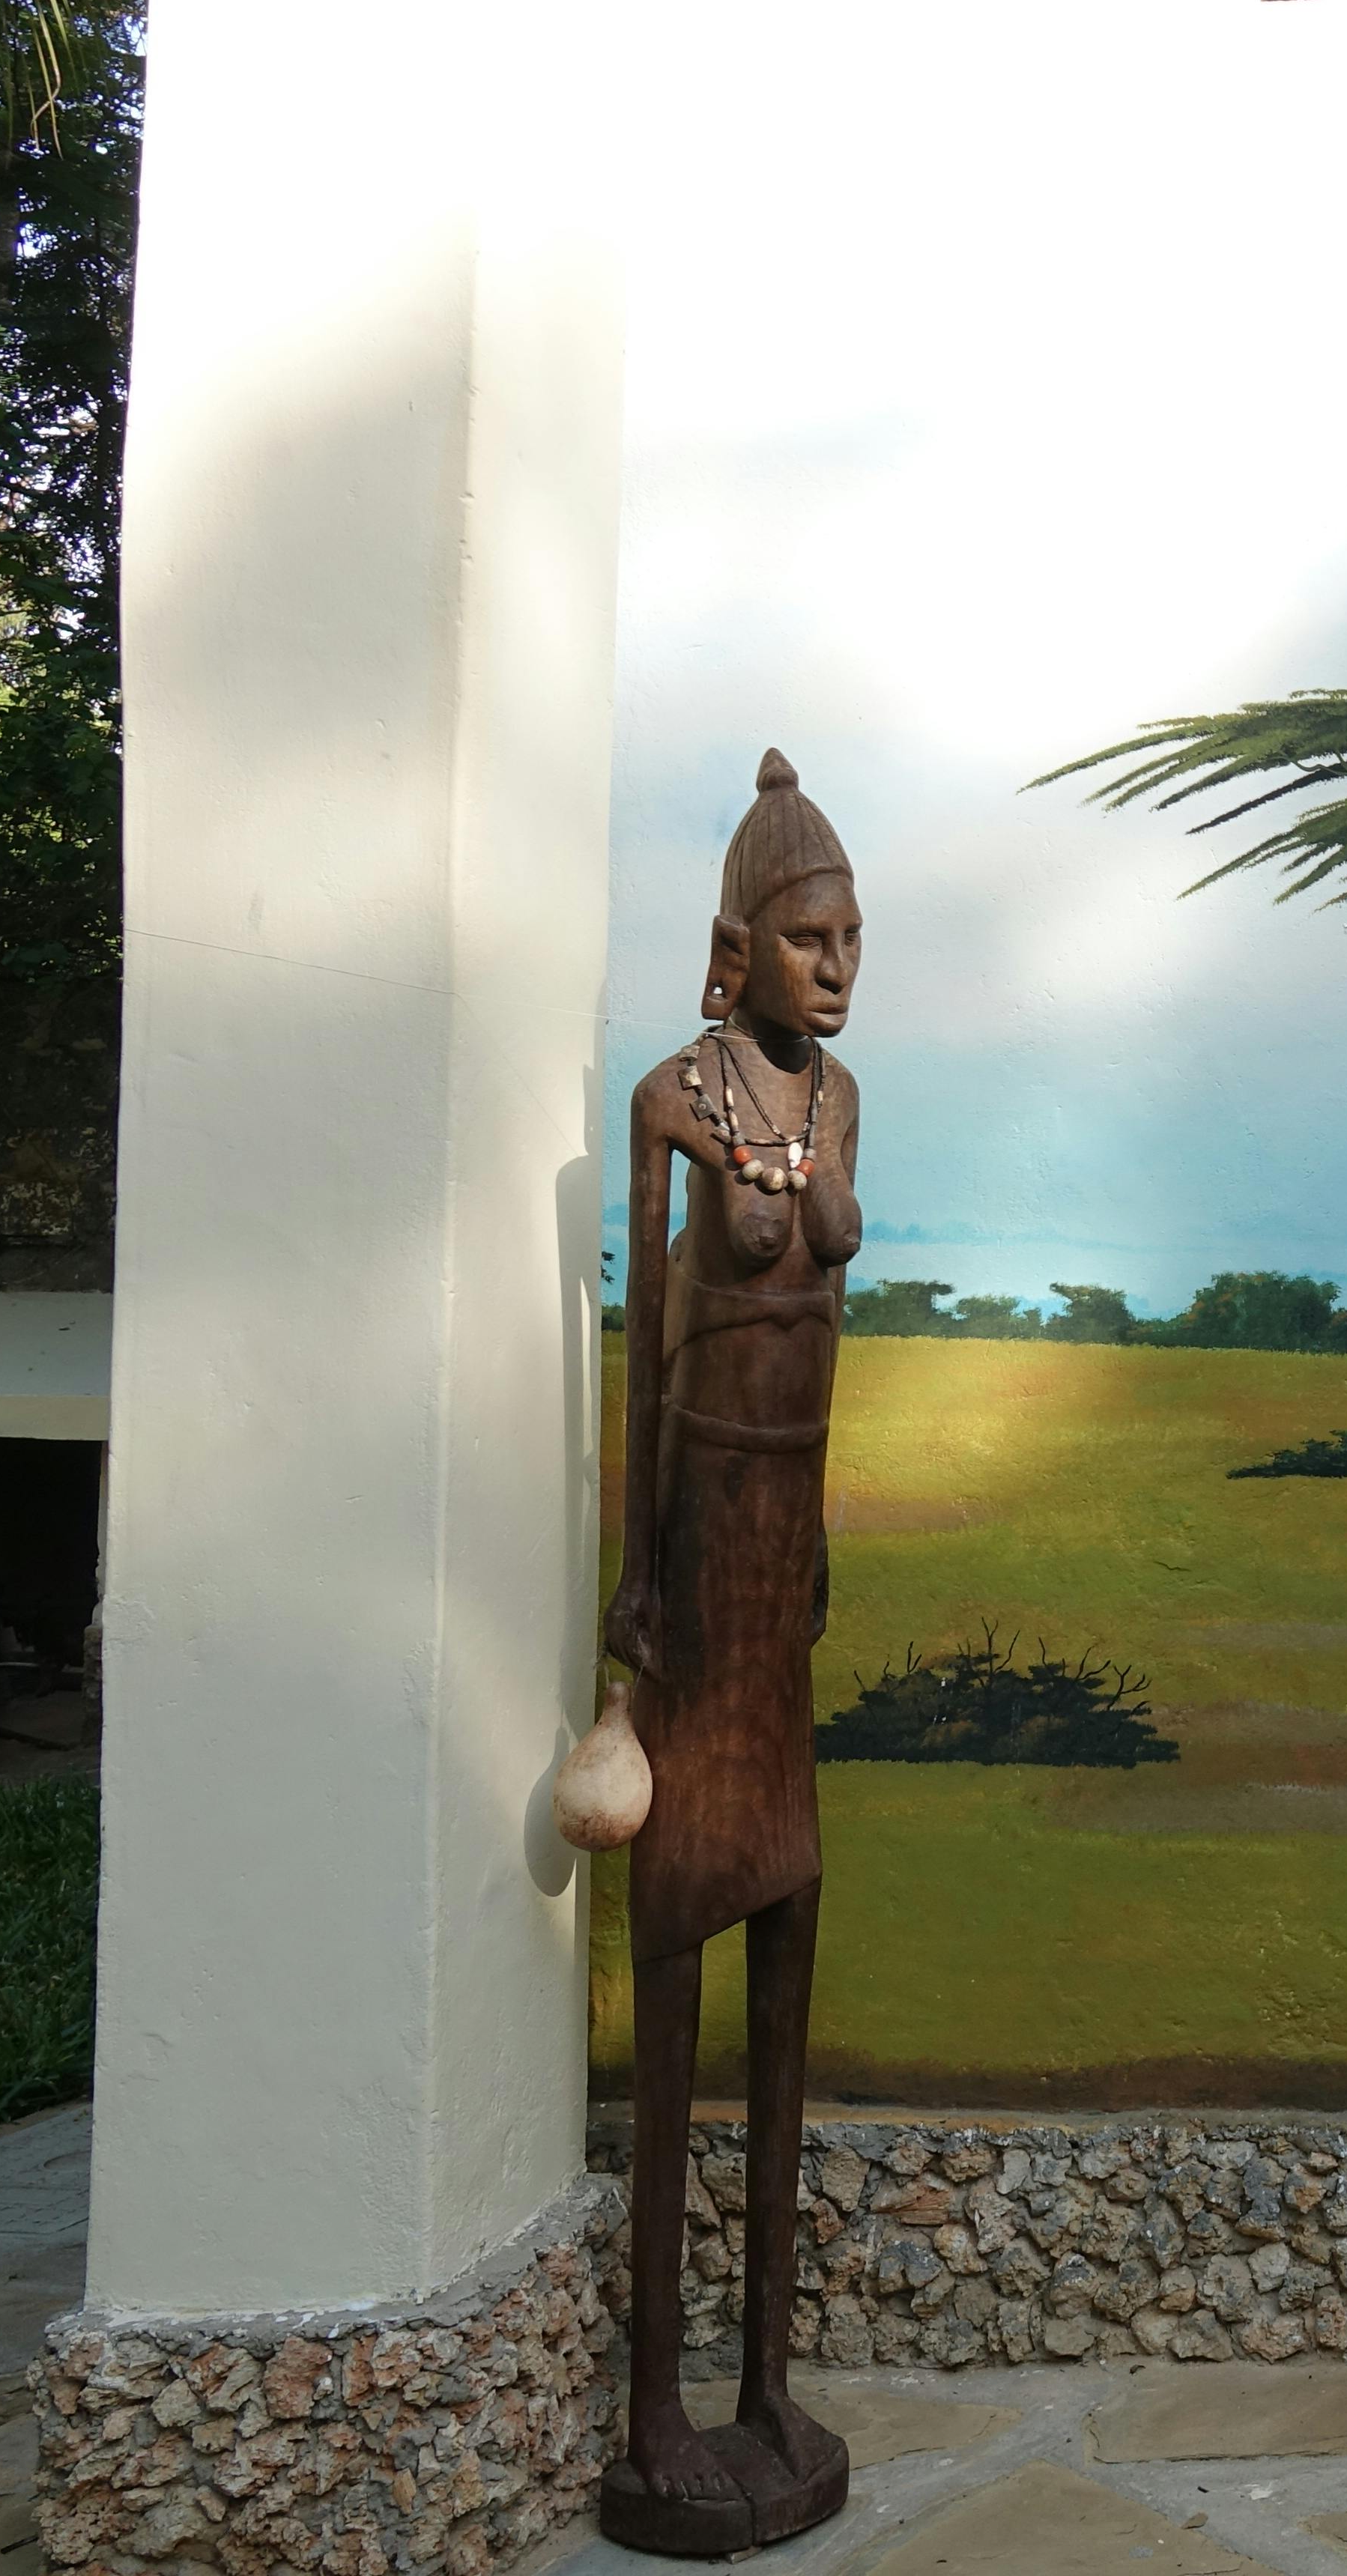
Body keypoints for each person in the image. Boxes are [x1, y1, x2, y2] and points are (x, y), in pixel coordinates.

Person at [596, 751, 863, 2553]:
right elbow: (646, 1355)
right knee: (684, 1935)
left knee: (792, 1912)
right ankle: (657, 2401)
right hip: (702, 1550)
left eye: (851, 942)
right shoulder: (674, 1100)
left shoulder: (838, 1099)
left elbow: (833, 1306)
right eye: (809, 938)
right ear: (738, 943)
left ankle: (769, 2380)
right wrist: (637, 1587)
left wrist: (820, 1532)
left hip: (787, 1568)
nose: (835, 969)